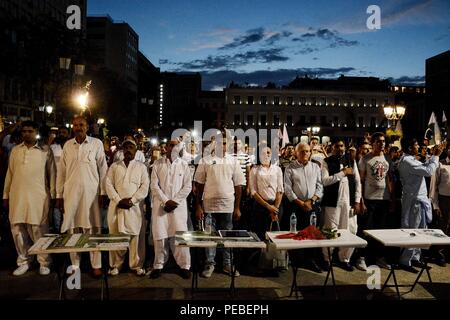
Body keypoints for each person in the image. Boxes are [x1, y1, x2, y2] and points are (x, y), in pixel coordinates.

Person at [56, 116, 108, 277]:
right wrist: (59, 195)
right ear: (73, 127)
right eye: (76, 125)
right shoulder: (67, 145)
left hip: (91, 194)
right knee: (73, 230)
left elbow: (103, 169)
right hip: (71, 194)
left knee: (92, 229)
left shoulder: (96, 144)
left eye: (82, 125)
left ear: (87, 127)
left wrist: (103, 192)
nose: (79, 127)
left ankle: (96, 265)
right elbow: (61, 173)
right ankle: (75, 266)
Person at [3, 121, 56, 276]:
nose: (26, 133)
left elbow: (52, 174)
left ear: (36, 132)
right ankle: (24, 261)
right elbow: (10, 174)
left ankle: (44, 262)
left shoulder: (45, 150)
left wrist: (53, 195)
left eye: (30, 131)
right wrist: (5, 195)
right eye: (24, 131)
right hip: (17, 195)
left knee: (39, 229)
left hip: (38, 196)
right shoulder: (15, 151)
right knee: (18, 230)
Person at [194, 136, 245, 278]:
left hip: (227, 205)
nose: (221, 145)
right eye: (218, 143)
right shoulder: (205, 160)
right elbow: (199, 185)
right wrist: (198, 206)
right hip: (209, 205)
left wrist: (237, 207)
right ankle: (210, 263)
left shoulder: (233, 160)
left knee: (227, 236)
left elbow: (238, 185)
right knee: (209, 236)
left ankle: (227, 264)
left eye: (224, 143)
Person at [397, 138, 443, 272]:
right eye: (416, 145)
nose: (419, 147)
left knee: (421, 230)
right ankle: (405, 261)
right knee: (412, 230)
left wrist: (431, 158)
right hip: (413, 201)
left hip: (420, 200)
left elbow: (425, 167)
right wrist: (436, 156)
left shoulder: (412, 159)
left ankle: (415, 258)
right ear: (410, 148)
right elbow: (428, 171)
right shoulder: (407, 161)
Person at [105, 139, 149, 276]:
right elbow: (108, 184)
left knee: (135, 237)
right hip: (116, 207)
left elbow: (145, 186)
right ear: (122, 150)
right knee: (116, 236)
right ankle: (115, 265)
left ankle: (136, 265)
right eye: (126, 148)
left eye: (131, 147)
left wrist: (132, 200)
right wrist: (119, 200)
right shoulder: (114, 166)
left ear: (136, 150)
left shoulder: (141, 167)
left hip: (134, 207)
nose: (128, 150)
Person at [149, 140, 192, 279]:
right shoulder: (157, 164)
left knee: (180, 236)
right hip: (161, 207)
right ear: (166, 147)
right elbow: (154, 186)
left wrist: (175, 201)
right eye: (171, 145)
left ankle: (184, 266)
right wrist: (166, 201)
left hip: (178, 208)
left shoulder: (184, 165)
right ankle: (158, 265)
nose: (173, 148)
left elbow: (187, 186)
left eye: (176, 145)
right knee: (160, 236)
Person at [321, 140, 361, 271]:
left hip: (348, 201)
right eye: (337, 146)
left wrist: (357, 201)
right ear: (332, 148)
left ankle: (345, 259)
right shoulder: (326, 161)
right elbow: (325, 181)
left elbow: (357, 181)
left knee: (348, 230)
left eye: (342, 146)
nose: (340, 148)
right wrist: (342, 173)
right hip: (332, 202)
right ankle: (327, 259)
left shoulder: (351, 160)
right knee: (330, 230)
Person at [357, 132, 394, 270]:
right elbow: (360, 181)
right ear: (372, 143)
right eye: (378, 141)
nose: (382, 143)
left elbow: (390, 180)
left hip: (383, 199)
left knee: (382, 231)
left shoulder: (388, 159)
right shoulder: (365, 159)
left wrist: (391, 199)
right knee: (366, 229)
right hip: (369, 199)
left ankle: (380, 258)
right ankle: (361, 257)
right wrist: (360, 200)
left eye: (383, 141)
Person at [284, 143, 324, 273]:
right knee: (297, 233)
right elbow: (288, 189)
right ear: (296, 153)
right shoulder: (290, 168)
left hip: (312, 205)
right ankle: (297, 260)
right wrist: (301, 203)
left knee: (311, 233)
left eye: (307, 151)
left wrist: (311, 200)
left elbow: (320, 186)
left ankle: (310, 260)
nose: (305, 153)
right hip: (296, 206)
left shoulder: (315, 167)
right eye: (302, 151)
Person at [430, 143, 450, 267]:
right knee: (443, 227)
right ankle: (440, 254)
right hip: (444, 199)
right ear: (447, 150)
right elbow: (434, 186)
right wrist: (436, 205)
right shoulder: (440, 163)